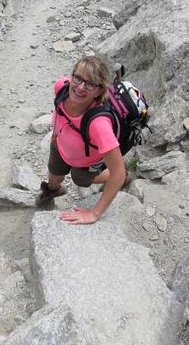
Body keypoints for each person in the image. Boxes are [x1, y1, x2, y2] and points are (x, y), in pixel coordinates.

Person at [36, 56, 128, 225]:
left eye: (90, 84)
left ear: (99, 91)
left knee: (80, 179)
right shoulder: (61, 88)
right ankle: (53, 190)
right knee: (54, 173)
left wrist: (94, 214)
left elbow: (118, 172)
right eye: (77, 78)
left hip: (86, 161)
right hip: (59, 144)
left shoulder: (99, 125)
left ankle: (127, 178)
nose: (79, 87)